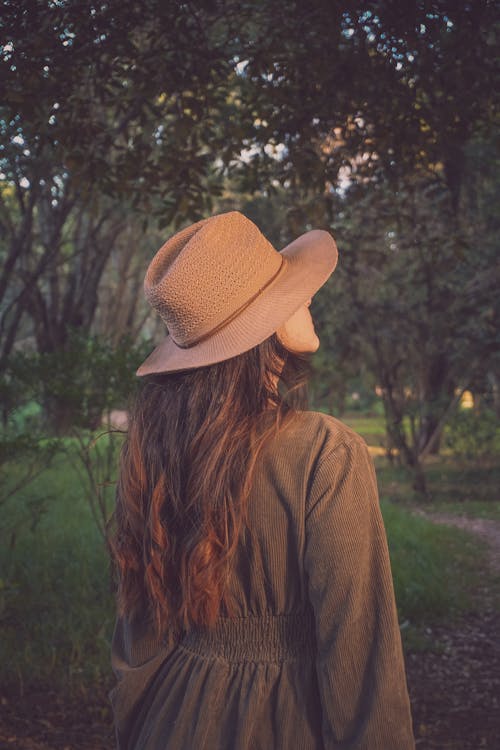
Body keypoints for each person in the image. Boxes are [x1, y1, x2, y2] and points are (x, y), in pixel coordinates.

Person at [110, 211, 415, 749]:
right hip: (287, 723)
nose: (308, 297)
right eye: (289, 291)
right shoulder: (327, 451)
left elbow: (138, 641)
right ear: (262, 325)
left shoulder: (155, 450)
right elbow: (360, 657)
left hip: (168, 721)